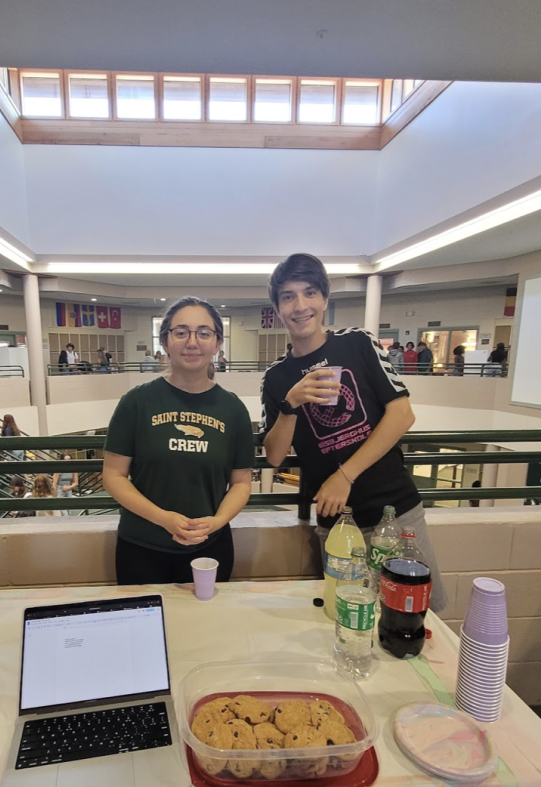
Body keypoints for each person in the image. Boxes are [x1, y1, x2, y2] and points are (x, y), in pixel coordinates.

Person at [260, 253, 446, 611]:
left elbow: (402, 414)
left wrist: (345, 475)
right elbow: (274, 455)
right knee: (345, 614)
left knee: (420, 612)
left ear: (325, 300)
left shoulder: (358, 343)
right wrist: (290, 403)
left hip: (397, 509)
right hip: (336, 524)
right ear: (277, 308)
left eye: (310, 293)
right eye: (288, 296)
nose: (300, 306)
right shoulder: (277, 377)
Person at [103, 297, 254, 586]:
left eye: (204, 333)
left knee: (207, 628)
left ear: (218, 343)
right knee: (145, 630)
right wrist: (163, 518)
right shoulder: (136, 402)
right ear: (165, 341)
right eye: (181, 332)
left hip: (209, 547)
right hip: (141, 546)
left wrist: (218, 521)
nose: (192, 342)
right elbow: (113, 475)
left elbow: (241, 482)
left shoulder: (233, 409)